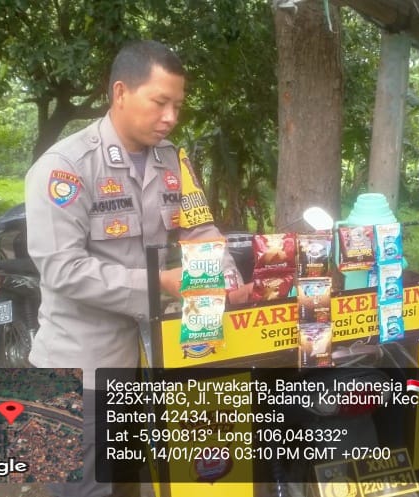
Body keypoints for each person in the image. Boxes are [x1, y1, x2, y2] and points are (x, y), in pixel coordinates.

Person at [25, 40, 250, 497]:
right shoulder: (65, 168)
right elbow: (63, 268)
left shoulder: (171, 160)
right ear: (121, 93)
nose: (171, 117)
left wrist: (228, 280)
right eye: (160, 102)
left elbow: (200, 229)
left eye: (178, 106)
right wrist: (159, 283)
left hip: (145, 363)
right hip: (79, 372)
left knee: (132, 484)